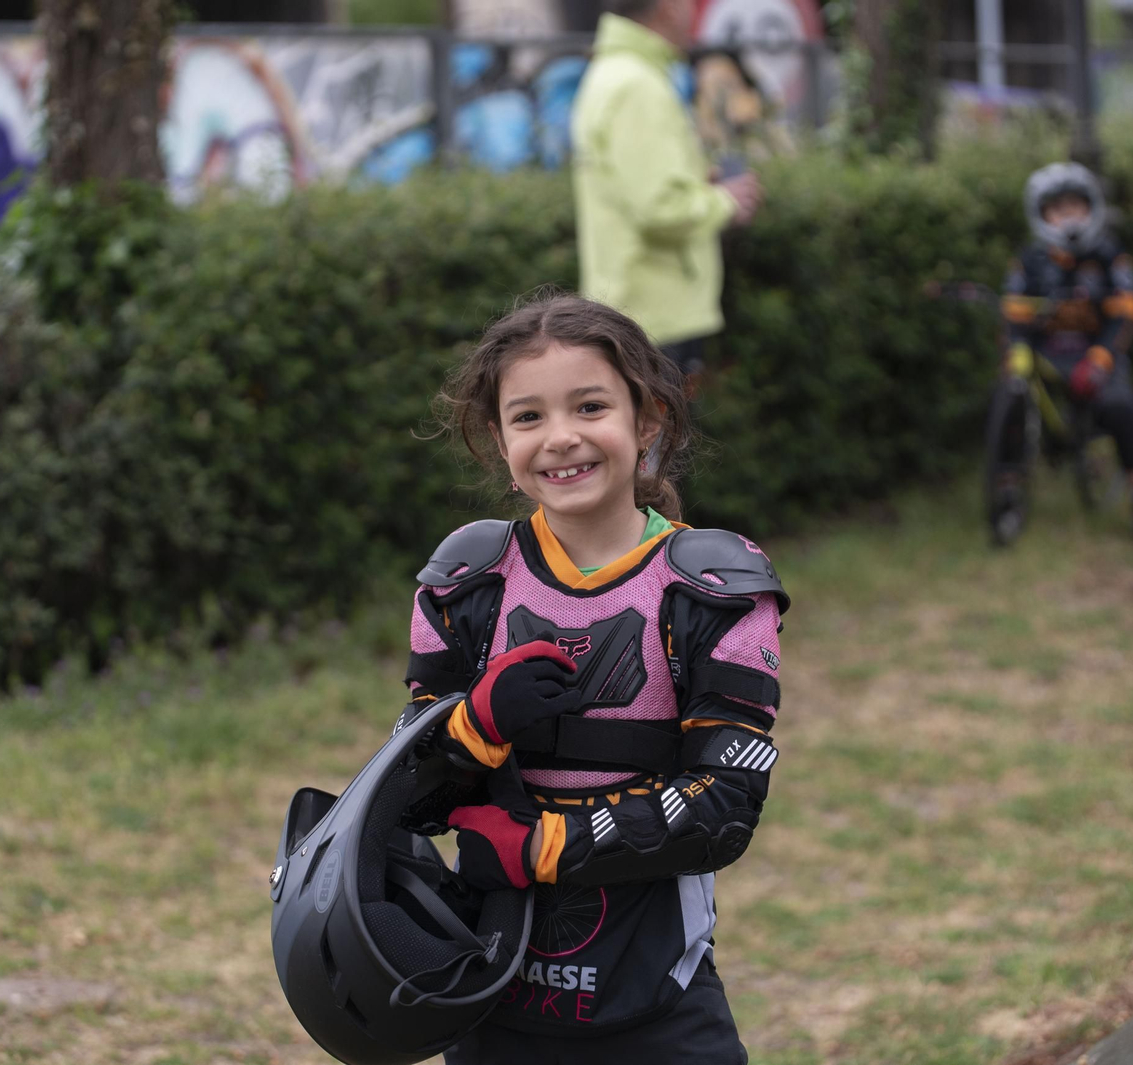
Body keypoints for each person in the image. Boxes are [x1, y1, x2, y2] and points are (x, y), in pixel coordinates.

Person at [406, 293, 787, 1064]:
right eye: (528, 416)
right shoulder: (467, 580)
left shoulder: (715, 585)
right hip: (487, 987)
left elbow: (725, 807)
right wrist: (471, 725)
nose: (561, 438)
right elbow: (410, 799)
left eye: (589, 405)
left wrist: (543, 842)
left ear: (646, 420)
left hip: (658, 1000)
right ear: (498, 438)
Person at [571, 0, 763, 392]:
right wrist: (726, 201)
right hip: (655, 315)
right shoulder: (637, 85)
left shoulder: (615, 73)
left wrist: (697, 184)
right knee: (657, 450)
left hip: (636, 309)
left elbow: (641, 187)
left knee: (648, 448)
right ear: (668, 8)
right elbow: (659, 208)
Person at [1004, 162, 1133, 545]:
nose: (1068, 217)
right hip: (1045, 359)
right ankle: (1008, 497)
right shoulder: (1029, 260)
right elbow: (1014, 315)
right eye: (1059, 209)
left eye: (1076, 207)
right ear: (1042, 214)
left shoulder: (1109, 256)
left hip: (1095, 356)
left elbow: (1125, 316)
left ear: (1091, 209)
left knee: (1119, 407)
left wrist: (1102, 358)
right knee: (1007, 399)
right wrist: (1017, 352)